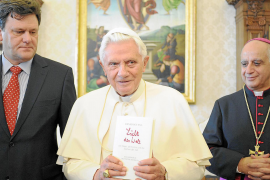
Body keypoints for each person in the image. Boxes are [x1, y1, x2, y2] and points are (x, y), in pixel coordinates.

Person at [57, 27, 212, 180]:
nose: (122, 73)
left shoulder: (174, 100)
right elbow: (70, 163)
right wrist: (96, 174)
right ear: (103, 67)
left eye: (131, 62)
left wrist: (165, 173)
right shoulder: (84, 105)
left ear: (145, 63)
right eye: (113, 64)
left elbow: (197, 165)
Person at [0, 0, 76, 179]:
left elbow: (73, 142)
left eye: (33, 32)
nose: (28, 39)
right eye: (19, 31)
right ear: (1, 34)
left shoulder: (60, 76)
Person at [203, 38, 270, 180]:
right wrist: (239, 163)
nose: (249, 70)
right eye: (244, 64)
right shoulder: (224, 105)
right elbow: (205, 151)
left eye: (257, 63)